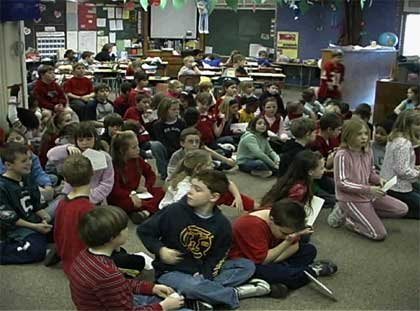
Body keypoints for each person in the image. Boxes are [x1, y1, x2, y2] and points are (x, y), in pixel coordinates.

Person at [137, 170, 271, 310]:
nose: (190, 192)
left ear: (213, 197)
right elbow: (144, 231)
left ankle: (202, 295)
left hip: (201, 271)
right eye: (191, 186)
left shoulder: (222, 225)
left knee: (246, 265)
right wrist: (161, 249)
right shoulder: (174, 211)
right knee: (191, 285)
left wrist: (204, 275)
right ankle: (233, 294)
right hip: (170, 272)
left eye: (197, 189)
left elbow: (217, 256)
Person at [68, 206, 184, 311]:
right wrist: (163, 307)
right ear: (113, 237)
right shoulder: (108, 274)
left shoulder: (84, 255)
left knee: (163, 299)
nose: (128, 230)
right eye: (124, 227)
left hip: (101, 304)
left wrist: (152, 288)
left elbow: (118, 285)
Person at [229, 199, 337, 297]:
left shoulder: (281, 217)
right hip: (247, 263)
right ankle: (312, 271)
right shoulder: (251, 225)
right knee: (286, 275)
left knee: (309, 250)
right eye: (283, 232)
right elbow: (263, 260)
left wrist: (278, 255)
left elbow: (295, 245)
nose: (285, 235)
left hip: (271, 255)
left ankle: (286, 274)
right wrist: (287, 241)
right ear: (271, 220)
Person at [328, 118, 408, 240]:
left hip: (368, 195)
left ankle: (363, 215)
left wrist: (380, 180)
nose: (364, 137)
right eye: (359, 134)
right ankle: (349, 219)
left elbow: (371, 173)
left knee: (402, 209)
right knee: (379, 235)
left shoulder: (368, 150)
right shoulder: (342, 155)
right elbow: (342, 183)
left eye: (366, 133)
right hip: (350, 198)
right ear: (348, 135)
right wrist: (370, 189)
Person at [0, 142, 52, 264]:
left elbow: (36, 205)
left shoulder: (27, 178)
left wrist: (45, 217)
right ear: (8, 165)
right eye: (24, 161)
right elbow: (10, 219)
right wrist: (36, 227)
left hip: (34, 221)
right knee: (36, 251)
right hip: (18, 228)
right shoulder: (2, 186)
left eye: (29, 159)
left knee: (64, 227)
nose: (29, 163)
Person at [160, 149, 254, 211]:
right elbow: (180, 209)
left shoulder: (206, 175)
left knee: (224, 191)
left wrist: (238, 197)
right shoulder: (184, 187)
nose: (213, 166)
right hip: (173, 215)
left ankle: (257, 208)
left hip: (196, 204)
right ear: (198, 168)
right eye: (209, 164)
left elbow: (228, 183)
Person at [47, 121, 114, 205]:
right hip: (70, 195)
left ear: (95, 138)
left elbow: (107, 183)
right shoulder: (72, 152)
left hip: (95, 199)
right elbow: (50, 155)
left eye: (88, 139)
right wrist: (67, 148)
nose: (85, 143)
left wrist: (88, 197)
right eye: (81, 140)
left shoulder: (105, 157)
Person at [108, 131, 164, 224]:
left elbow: (150, 174)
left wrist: (147, 187)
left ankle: (145, 212)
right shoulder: (114, 165)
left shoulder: (138, 160)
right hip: (122, 197)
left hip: (138, 193)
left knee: (162, 192)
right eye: (134, 147)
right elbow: (115, 190)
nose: (138, 149)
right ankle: (149, 209)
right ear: (122, 150)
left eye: (138, 145)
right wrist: (131, 194)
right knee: (128, 203)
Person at [380, 111, 420, 219]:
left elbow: (398, 164)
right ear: (408, 126)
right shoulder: (403, 144)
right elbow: (402, 171)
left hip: (390, 181)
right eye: (417, 125)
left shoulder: (395, 138)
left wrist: (415, 169)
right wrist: (418, 173)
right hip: (397, 187)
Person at [167, 127, 235, 179]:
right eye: (190, 141)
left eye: (197, 141)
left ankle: (219, 164)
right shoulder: (177, 155)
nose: (194, 144)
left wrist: (227, 160)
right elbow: (171, 175)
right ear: (182, 143)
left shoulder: (201, 152)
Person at [151, 98, 186, 180]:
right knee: (155, 145)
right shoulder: (158, 125)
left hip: (180, 150)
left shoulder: (181, 123)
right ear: (165, 110)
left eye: (178, 109)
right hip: (166, 150)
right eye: (173, 109)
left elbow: (183, 138)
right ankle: (164, 173)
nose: (177, 111)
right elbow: (161, 141)